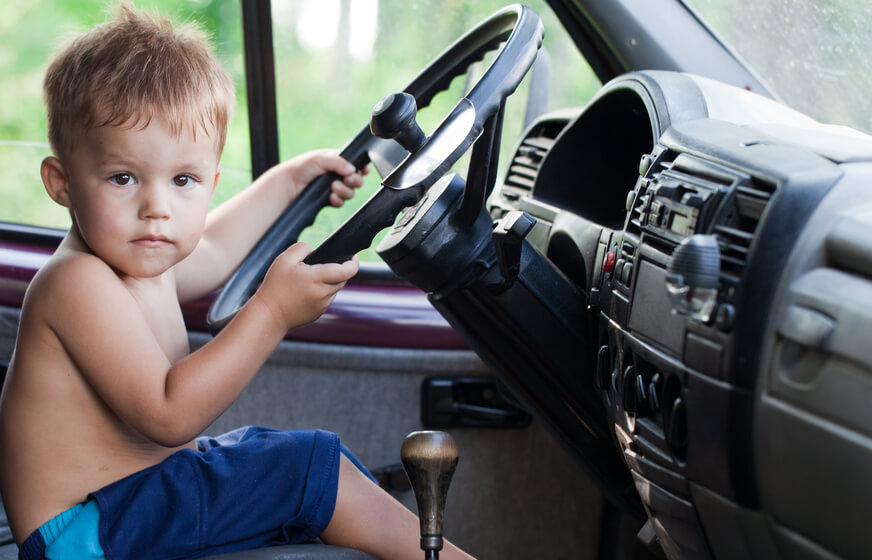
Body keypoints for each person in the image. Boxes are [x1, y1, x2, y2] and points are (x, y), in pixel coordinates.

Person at [0, 3, 474, 559]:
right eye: (123, 177)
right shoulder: (75, 282)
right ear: (61, 183)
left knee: (289, 458)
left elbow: (219, 246)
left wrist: (289, 181)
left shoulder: (138, 261)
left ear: (212, 182)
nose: (157, 208)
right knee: (301, 466)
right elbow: (168, 413)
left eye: (183, 180)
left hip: (126, 509)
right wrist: (272, 312)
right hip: (82, 535)